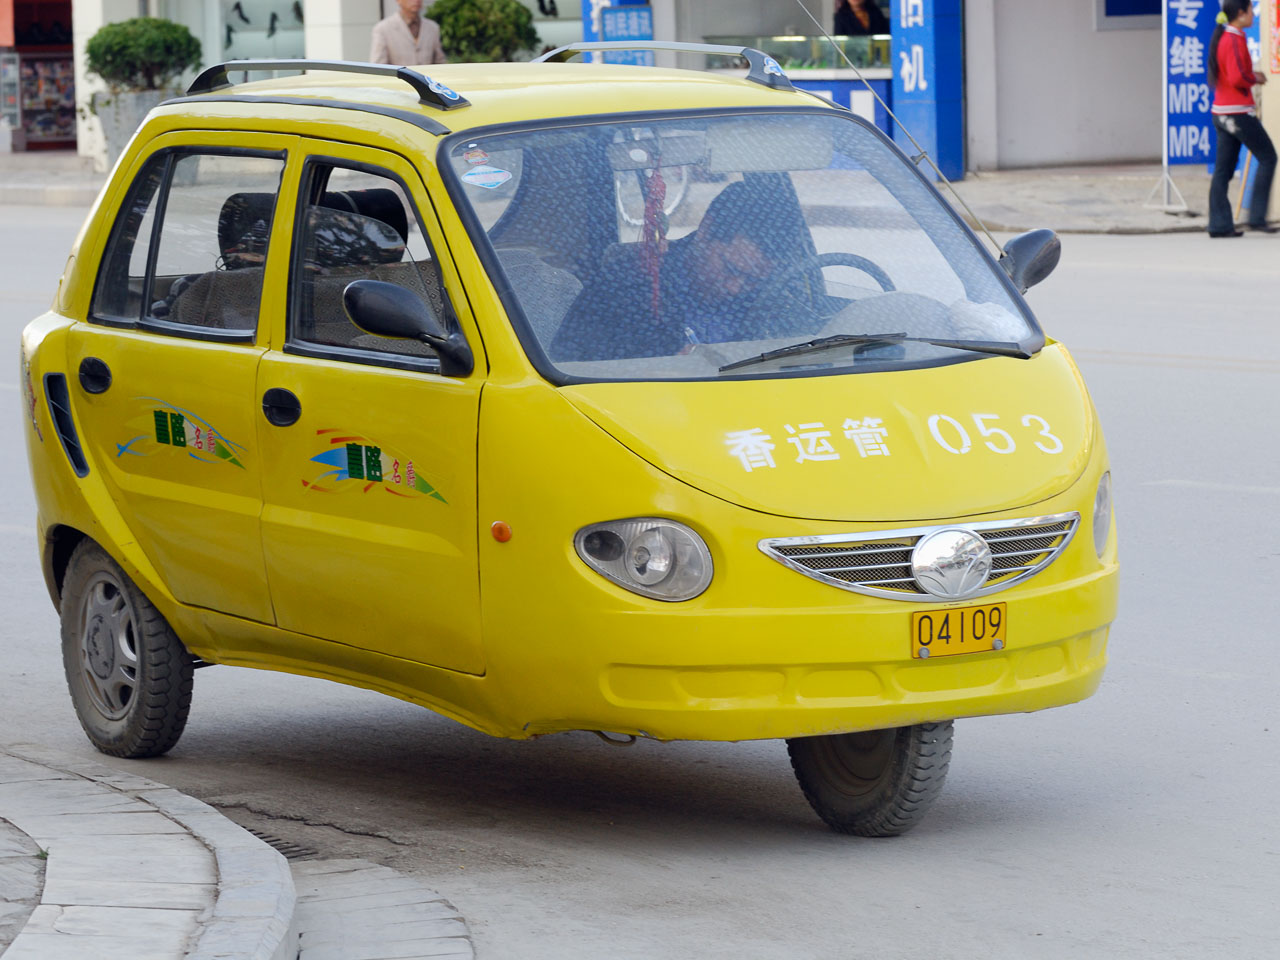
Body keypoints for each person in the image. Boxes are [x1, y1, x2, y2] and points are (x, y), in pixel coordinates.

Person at [550, 179, 813, 362]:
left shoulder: (777, 298)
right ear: (706, 231)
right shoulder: (625, 291)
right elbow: (572, 369)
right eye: (731, 268)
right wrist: (662, 368)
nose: (735, 287)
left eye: (752, 280)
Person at [1207, 0, 1276, 236]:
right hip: (1237, 111)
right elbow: (1238, 78)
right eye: (1250, 11)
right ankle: (1257, 217)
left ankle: (1219, 224)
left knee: (1223, 170)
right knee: (1268, 157)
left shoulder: (1223, 36)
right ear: (1241, 13)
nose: (1253, 16)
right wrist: (1255, 77)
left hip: (1221, 111)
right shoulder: (1234, 38)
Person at [370, 0, 447, 66]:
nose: (416, 0)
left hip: (427, 82)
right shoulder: (383, 29)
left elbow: (440, 61)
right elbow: (378, 66)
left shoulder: (433, 27)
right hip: (398, 82)